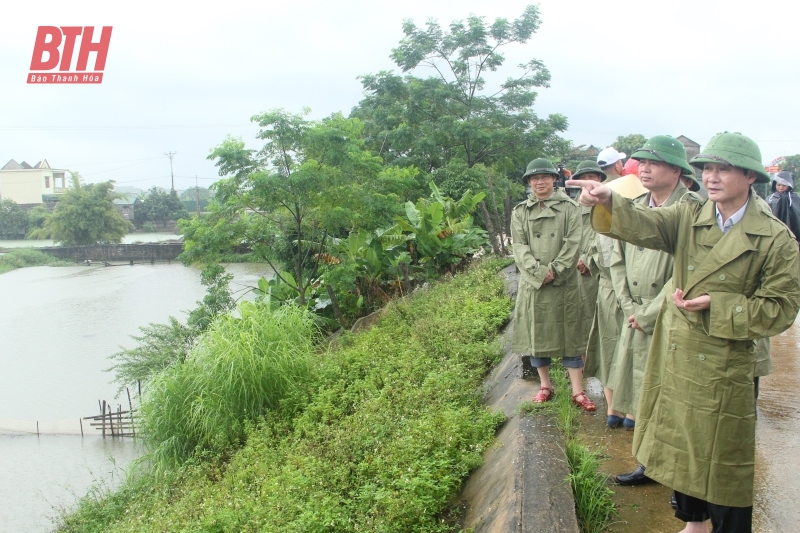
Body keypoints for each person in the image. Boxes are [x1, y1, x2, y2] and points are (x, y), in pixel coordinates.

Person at [567, 132, 800, 533]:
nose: (710, 177)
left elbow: (781, 309)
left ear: (750, 177)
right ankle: (693, 522)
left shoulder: (775, 238)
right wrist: (608, 200)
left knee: (725, 457)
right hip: (680, 350)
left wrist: (720, 305)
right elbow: (643, 223)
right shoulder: (690, 216)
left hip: (727, 362)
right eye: (707, 167)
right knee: (681, 442)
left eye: (722, 168)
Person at [605, 136, 697, 485]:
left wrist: (647, 314)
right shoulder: (635, 207)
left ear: (676, 170)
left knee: (669, 393)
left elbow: (688, 273)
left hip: (669, 317)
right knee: (641, 390)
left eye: (653, 163)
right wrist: (629, 306)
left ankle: (674, 470)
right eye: (641, 162)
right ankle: (649, 463)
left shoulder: (692, 210)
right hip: (636, 313)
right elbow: (616, 260)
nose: (644, 168)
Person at [511, 158, 595, 411]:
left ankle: (578, 391)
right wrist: (538, 272)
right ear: (528, 182)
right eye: (534, 178)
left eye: (545, 177)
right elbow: (519, 246)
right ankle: (545, 386)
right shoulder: (520, 212)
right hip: (535, 284)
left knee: (571, 337)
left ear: (553, 180)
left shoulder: (570, 208)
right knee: (539, 338)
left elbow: (573, 242)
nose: (540, 182)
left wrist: (555, 270)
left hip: (565, 282)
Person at [583, 147, 627, 425]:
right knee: (631, 345)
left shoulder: (593, 197)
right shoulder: (629, 191)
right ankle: (630, 411)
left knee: (609, 344)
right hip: (630, 283)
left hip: (608, 282)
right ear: (619, 164)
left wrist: (589, 259)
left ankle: (613, 409)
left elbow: (593, 239)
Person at [573, 161, 606, 366]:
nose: (589, 182)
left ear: (600, 179)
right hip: (578, 271)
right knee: (583, 317)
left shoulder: (607, 204)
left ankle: (604, 364)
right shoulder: (574, 207)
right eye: (585, 178)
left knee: (604, 317)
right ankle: (586, 363)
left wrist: (588, 257)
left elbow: (605, 235)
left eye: (592, 177)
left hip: (601, 268)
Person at [766, 170, 800, 242]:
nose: (781, 188)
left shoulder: (794, 199)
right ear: (775, 184)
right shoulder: (771, 198)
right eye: (778, 185)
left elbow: (797, 217)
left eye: (784, 185)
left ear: (789, 186)